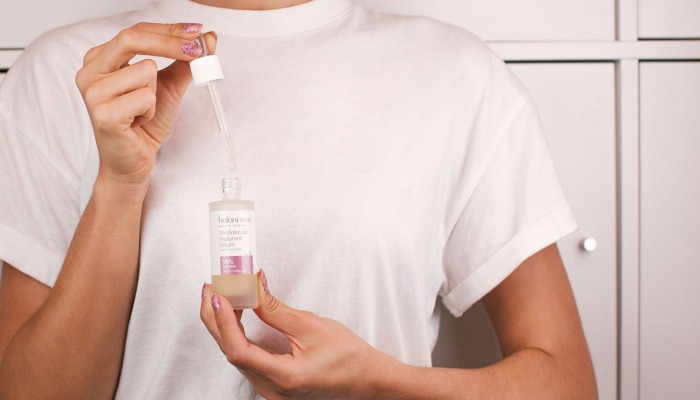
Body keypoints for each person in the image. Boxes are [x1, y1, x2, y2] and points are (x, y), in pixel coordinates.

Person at [0, 0, 597, 398]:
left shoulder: (458, 74)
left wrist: (381, 383)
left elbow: (565, 381)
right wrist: (121, 184)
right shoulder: (78, 73)